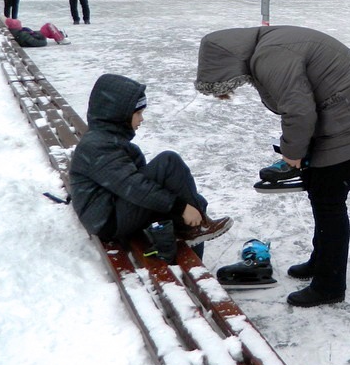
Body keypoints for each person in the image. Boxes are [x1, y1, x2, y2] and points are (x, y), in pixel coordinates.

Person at [195, 26, 350, 307]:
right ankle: (321, 262)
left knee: (329, 200)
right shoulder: (266, 46)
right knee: (322, 191)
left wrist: (292, 155)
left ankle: (329, 285)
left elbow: (299, 110)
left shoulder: (269, 56)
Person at [69, 74, 233, 255]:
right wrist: (180, 207)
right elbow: (133, 187)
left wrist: (184, 207)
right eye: (138, 113)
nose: (142, 119)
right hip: (107, 221)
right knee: (169, 163)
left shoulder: (107, 140)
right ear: (119, 115)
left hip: (111, 211)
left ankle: (195, 232)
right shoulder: (98, 146)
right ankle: (197, 227)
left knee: (194, 204)